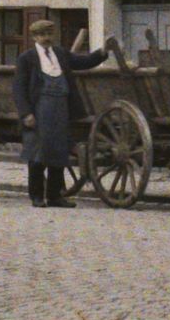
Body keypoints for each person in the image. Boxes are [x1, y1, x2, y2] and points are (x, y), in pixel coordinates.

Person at [13, 20, 114, 207]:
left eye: (49, 34)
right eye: (42, 35)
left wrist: (102, 52)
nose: (46, 38)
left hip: (61, 108)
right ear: (34, 37)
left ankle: (54, 196)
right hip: (39, 109)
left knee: (59, 151)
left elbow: (83, 62)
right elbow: (19, 88)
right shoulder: (26, 58)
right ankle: (36, 196)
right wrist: (26, 113)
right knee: (38, 153)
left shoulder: (60, 53)